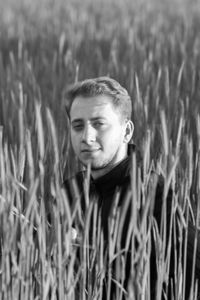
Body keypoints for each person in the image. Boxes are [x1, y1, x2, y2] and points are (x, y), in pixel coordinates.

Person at [63, 77, 200, 299]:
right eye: (78, 126)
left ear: (127, 132)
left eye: (99, 124)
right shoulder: (69, 191)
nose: (86, 137)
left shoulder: (155, 196)